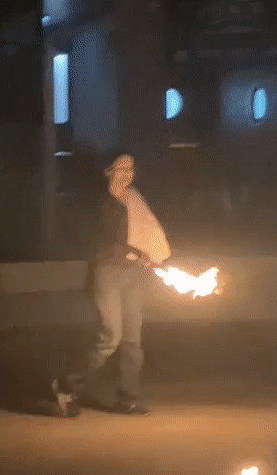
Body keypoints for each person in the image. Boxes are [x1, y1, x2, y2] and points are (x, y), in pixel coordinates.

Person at [75, 153, 172, 415]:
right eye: (121, 168)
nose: (127, 174)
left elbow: (148, 233)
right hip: (108, 273)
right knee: (110, 337)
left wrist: (150, 254)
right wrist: (130, 251)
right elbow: (100, 240)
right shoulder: (101, 203)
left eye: (130, 168)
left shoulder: (135, 199)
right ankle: (67, 383)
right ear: (109, 171)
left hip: (132, 275)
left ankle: (128, 397)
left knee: (132, 340)